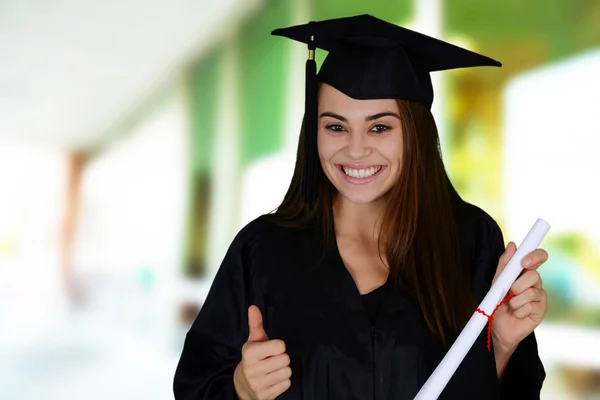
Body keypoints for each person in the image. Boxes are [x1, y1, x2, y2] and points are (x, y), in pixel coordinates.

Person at [173, 14, 548, 400]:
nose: (355, 150)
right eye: (335, 127)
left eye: (380, 127)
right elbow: (196, 387)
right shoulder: (262, 249)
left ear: (415, 134)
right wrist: (241, 389)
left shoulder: (471, 240)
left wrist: (500, 345)